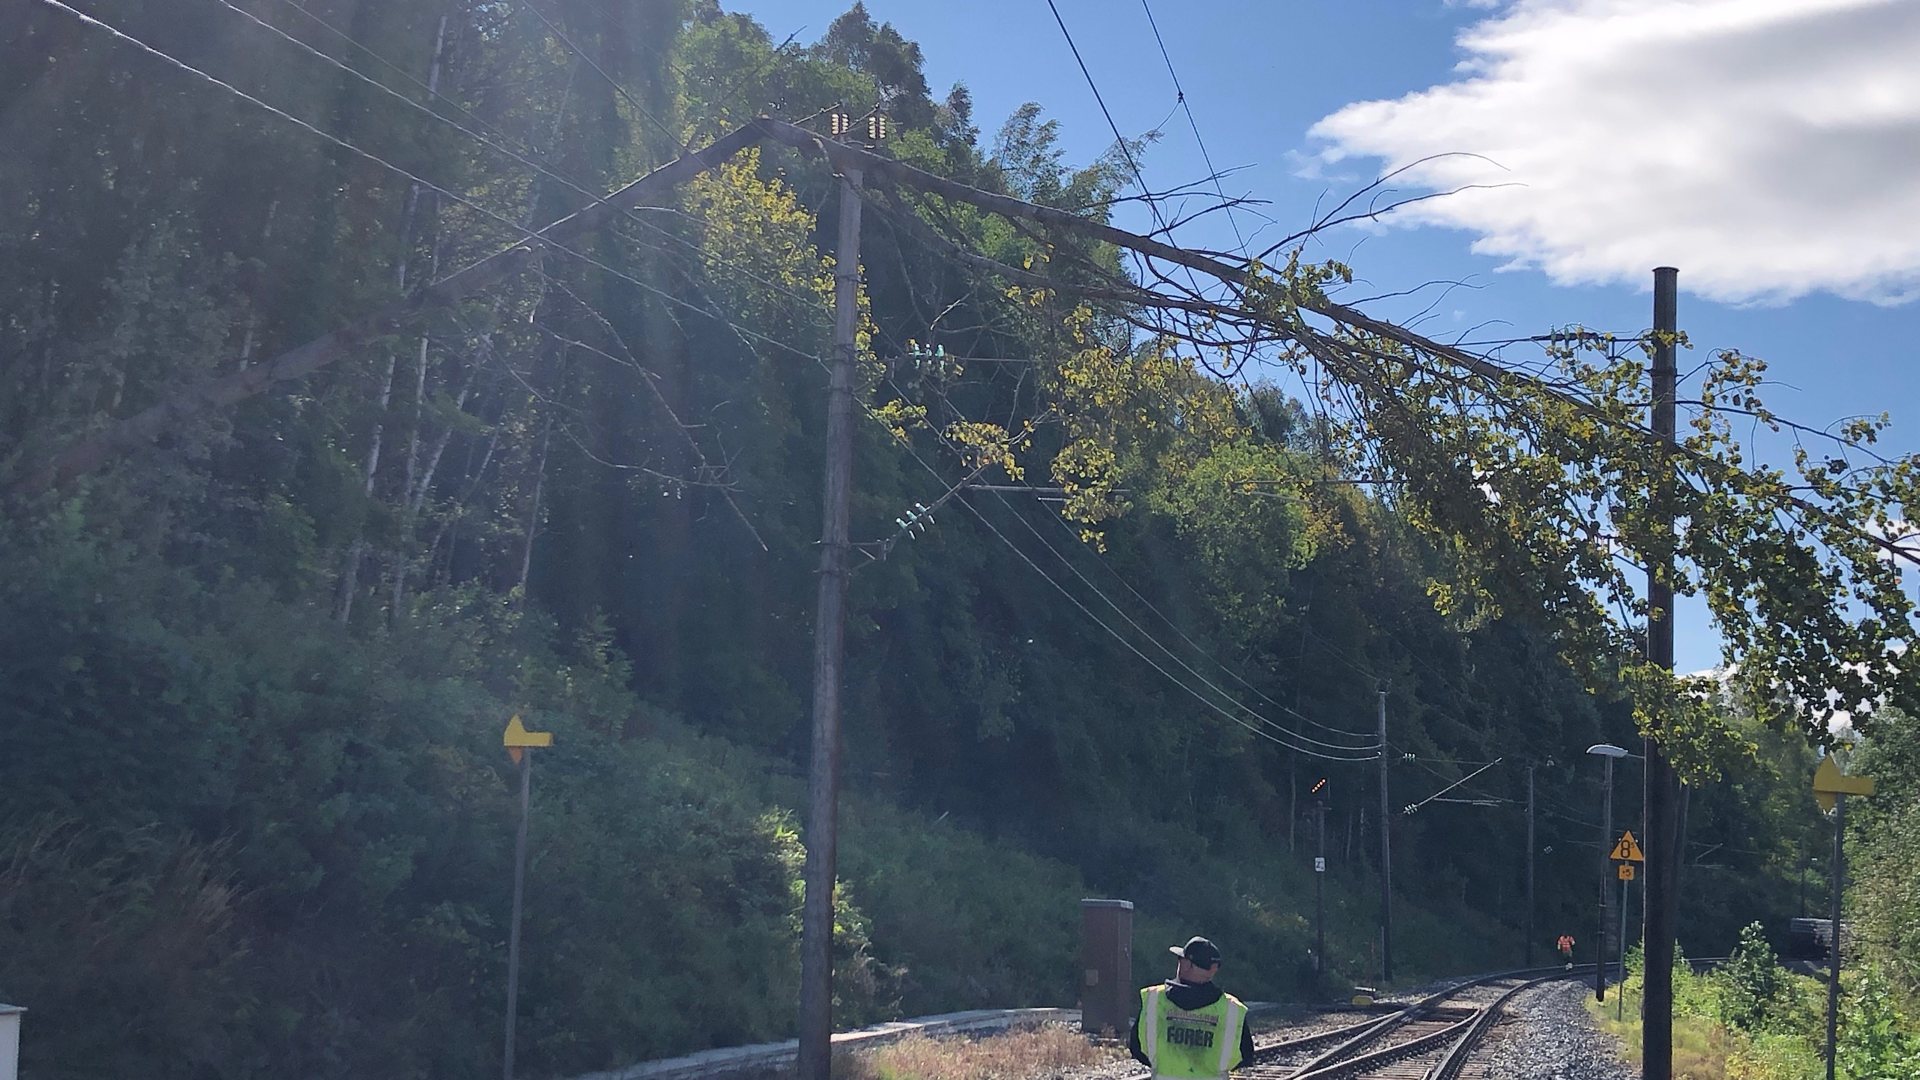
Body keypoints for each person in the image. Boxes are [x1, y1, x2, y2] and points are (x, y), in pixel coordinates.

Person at [1129, 936, 1255, 1078]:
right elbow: (1245, 1055)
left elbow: (1137, 1047)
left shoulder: (1154, 999)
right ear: (1213, 969)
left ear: (1187, 964)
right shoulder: (1231, 1009)